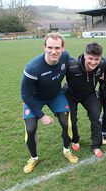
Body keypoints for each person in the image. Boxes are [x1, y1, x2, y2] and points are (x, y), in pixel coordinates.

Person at [21, 32, 78, 174]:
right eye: (50, 47)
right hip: (34, 99)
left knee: (67, 123)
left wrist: (96, 69)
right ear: (44, 47)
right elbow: (25, 95)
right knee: (30, 129)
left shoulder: (65, 57)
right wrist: (41, 116)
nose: (54, 51)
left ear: (63, 47)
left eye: (57, 48)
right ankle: (33, 158)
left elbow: (77, 64)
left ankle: (67, 150)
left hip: (55, 95)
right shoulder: (32, 68)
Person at [65, 42, 106, 158]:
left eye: (96, 59)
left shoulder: (103, 63)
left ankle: (96, 145)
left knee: (96, 118)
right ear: (84, 55)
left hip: (89, 95)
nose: (93, 62)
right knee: (71, 120)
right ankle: (75, 139)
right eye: (90, 58)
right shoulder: (71, 67)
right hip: (71, 95)